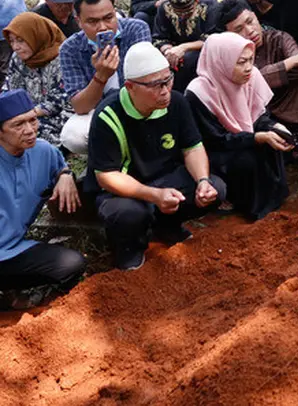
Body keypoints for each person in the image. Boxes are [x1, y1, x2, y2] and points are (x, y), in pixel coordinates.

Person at [86, 42, 224, 270]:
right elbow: (106, 176)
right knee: (127, 214)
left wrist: (202, 181)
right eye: (155, 85)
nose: (165, 90)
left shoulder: (176, 102)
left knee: (215, 188)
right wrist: (154, 195)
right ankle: (130, 247)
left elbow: (192, 147)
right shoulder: (108, 115)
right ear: (130, 87)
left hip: (165, 178)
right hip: (124, 191)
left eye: (168, 80)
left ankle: (166, 227)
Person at [186, 32, 290, 220]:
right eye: (241, 62)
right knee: (246, 159)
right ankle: (239, 201)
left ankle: (273, 198)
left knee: (274, 141)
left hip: (242, 137)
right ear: (221, 62)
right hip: (216, 150)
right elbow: (214, 139)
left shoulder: (251, 76)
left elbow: (259, 116)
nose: (248, 67)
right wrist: (255, 138)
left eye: (250, 60)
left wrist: (274, 126)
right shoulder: (199, 93)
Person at [0, 90, 85, 304]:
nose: (30, 130)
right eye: (18, 125)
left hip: (13, 250)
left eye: (32, 120)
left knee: (71, 263)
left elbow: (60, 167)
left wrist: (65, 175)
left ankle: (27, 300)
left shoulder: (43, 151)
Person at [58, 0, 154, 155]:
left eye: (108, 18)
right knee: (73, 136)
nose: (103, 27)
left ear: (115, 13)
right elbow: (80, 106)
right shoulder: (70, 48)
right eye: (92, 21)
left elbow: (147, 83)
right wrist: (101, 76)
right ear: (78, 21)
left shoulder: (136, 29)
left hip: (138, 104)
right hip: (99, 110)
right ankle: (108, 157)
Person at [215, 0, 298, 131]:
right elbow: (245, 86)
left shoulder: (279, 38)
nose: (250, 31)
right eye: (239, 29)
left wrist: (262, 80)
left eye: (250, 21)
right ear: (228, 35)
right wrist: (290, 63)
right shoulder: (230, 58)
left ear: (255, 16)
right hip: (262, 119)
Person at [2, 14, 69, 147]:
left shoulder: (62, 57)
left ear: (36, 36)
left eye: (20, 40)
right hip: (25, 115)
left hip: (59, 115)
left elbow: (59, 101)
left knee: (30, 133)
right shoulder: (18, 58)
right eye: (12, 41)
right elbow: (11, 89)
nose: (15, 47)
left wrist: (27, 115)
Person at [152, 0, 218, 92]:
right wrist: (169, 51)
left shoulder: (209, 5)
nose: (182, 16)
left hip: (202, 50)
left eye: (187, 11)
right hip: (173, 51)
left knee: (189, 60)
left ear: (196, 0)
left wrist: (183, 48)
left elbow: (212, 37)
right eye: (178, 12)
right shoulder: (164, 8)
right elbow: (159, 38)